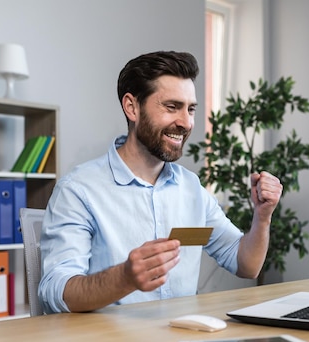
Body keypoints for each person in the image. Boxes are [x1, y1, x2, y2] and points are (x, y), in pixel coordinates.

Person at [38, 50, 283, 316]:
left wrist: (262, 216)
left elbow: (246, 264)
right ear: (132, 107)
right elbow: (55, 290)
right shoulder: (78, 189)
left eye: (190, 109)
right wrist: (125, 278)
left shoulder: (192, 189)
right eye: (171, 107)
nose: (186, 123)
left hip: (180, 341)